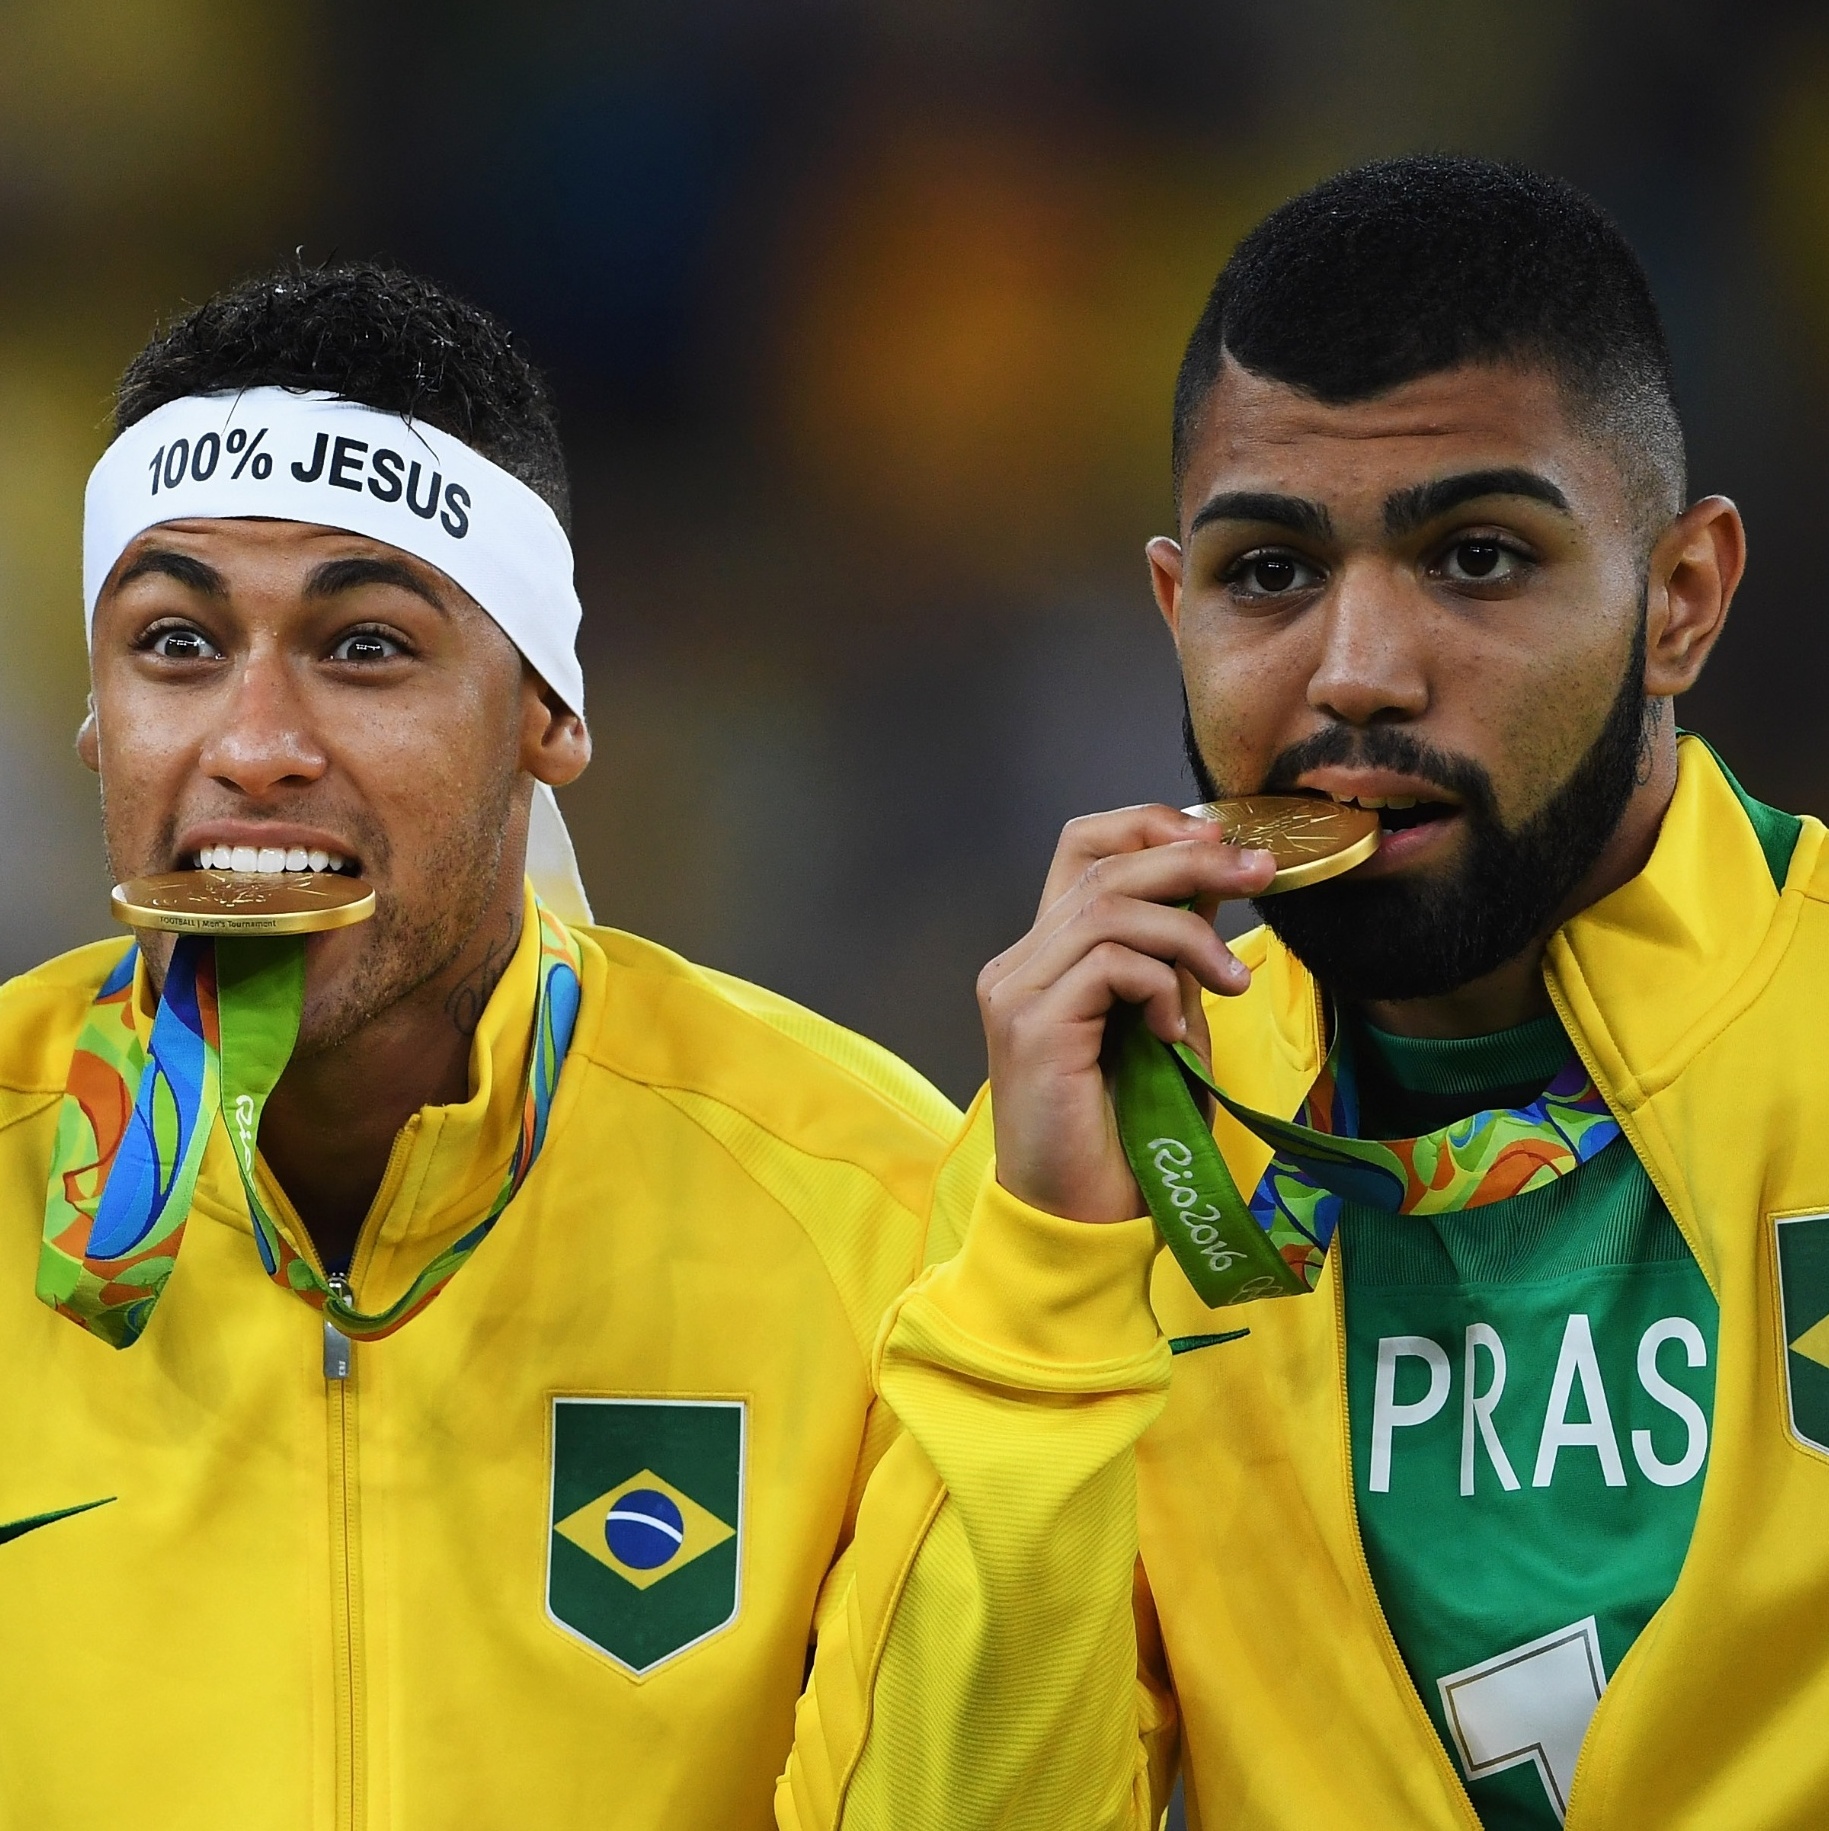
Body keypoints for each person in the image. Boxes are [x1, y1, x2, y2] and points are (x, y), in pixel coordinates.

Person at [781, 156, 1829, 1831]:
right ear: (1172, 607)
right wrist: (1049, 1274)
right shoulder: (1098, 1148)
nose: (1355, 674)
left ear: (1678, 601)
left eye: (1475, 558)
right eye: (1267, 572)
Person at [0, 260, 981, 1830]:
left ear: (549, 715)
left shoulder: (877, 1210)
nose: (254, 747)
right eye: (176, 643)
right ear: (95, 720)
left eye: (365, 648)